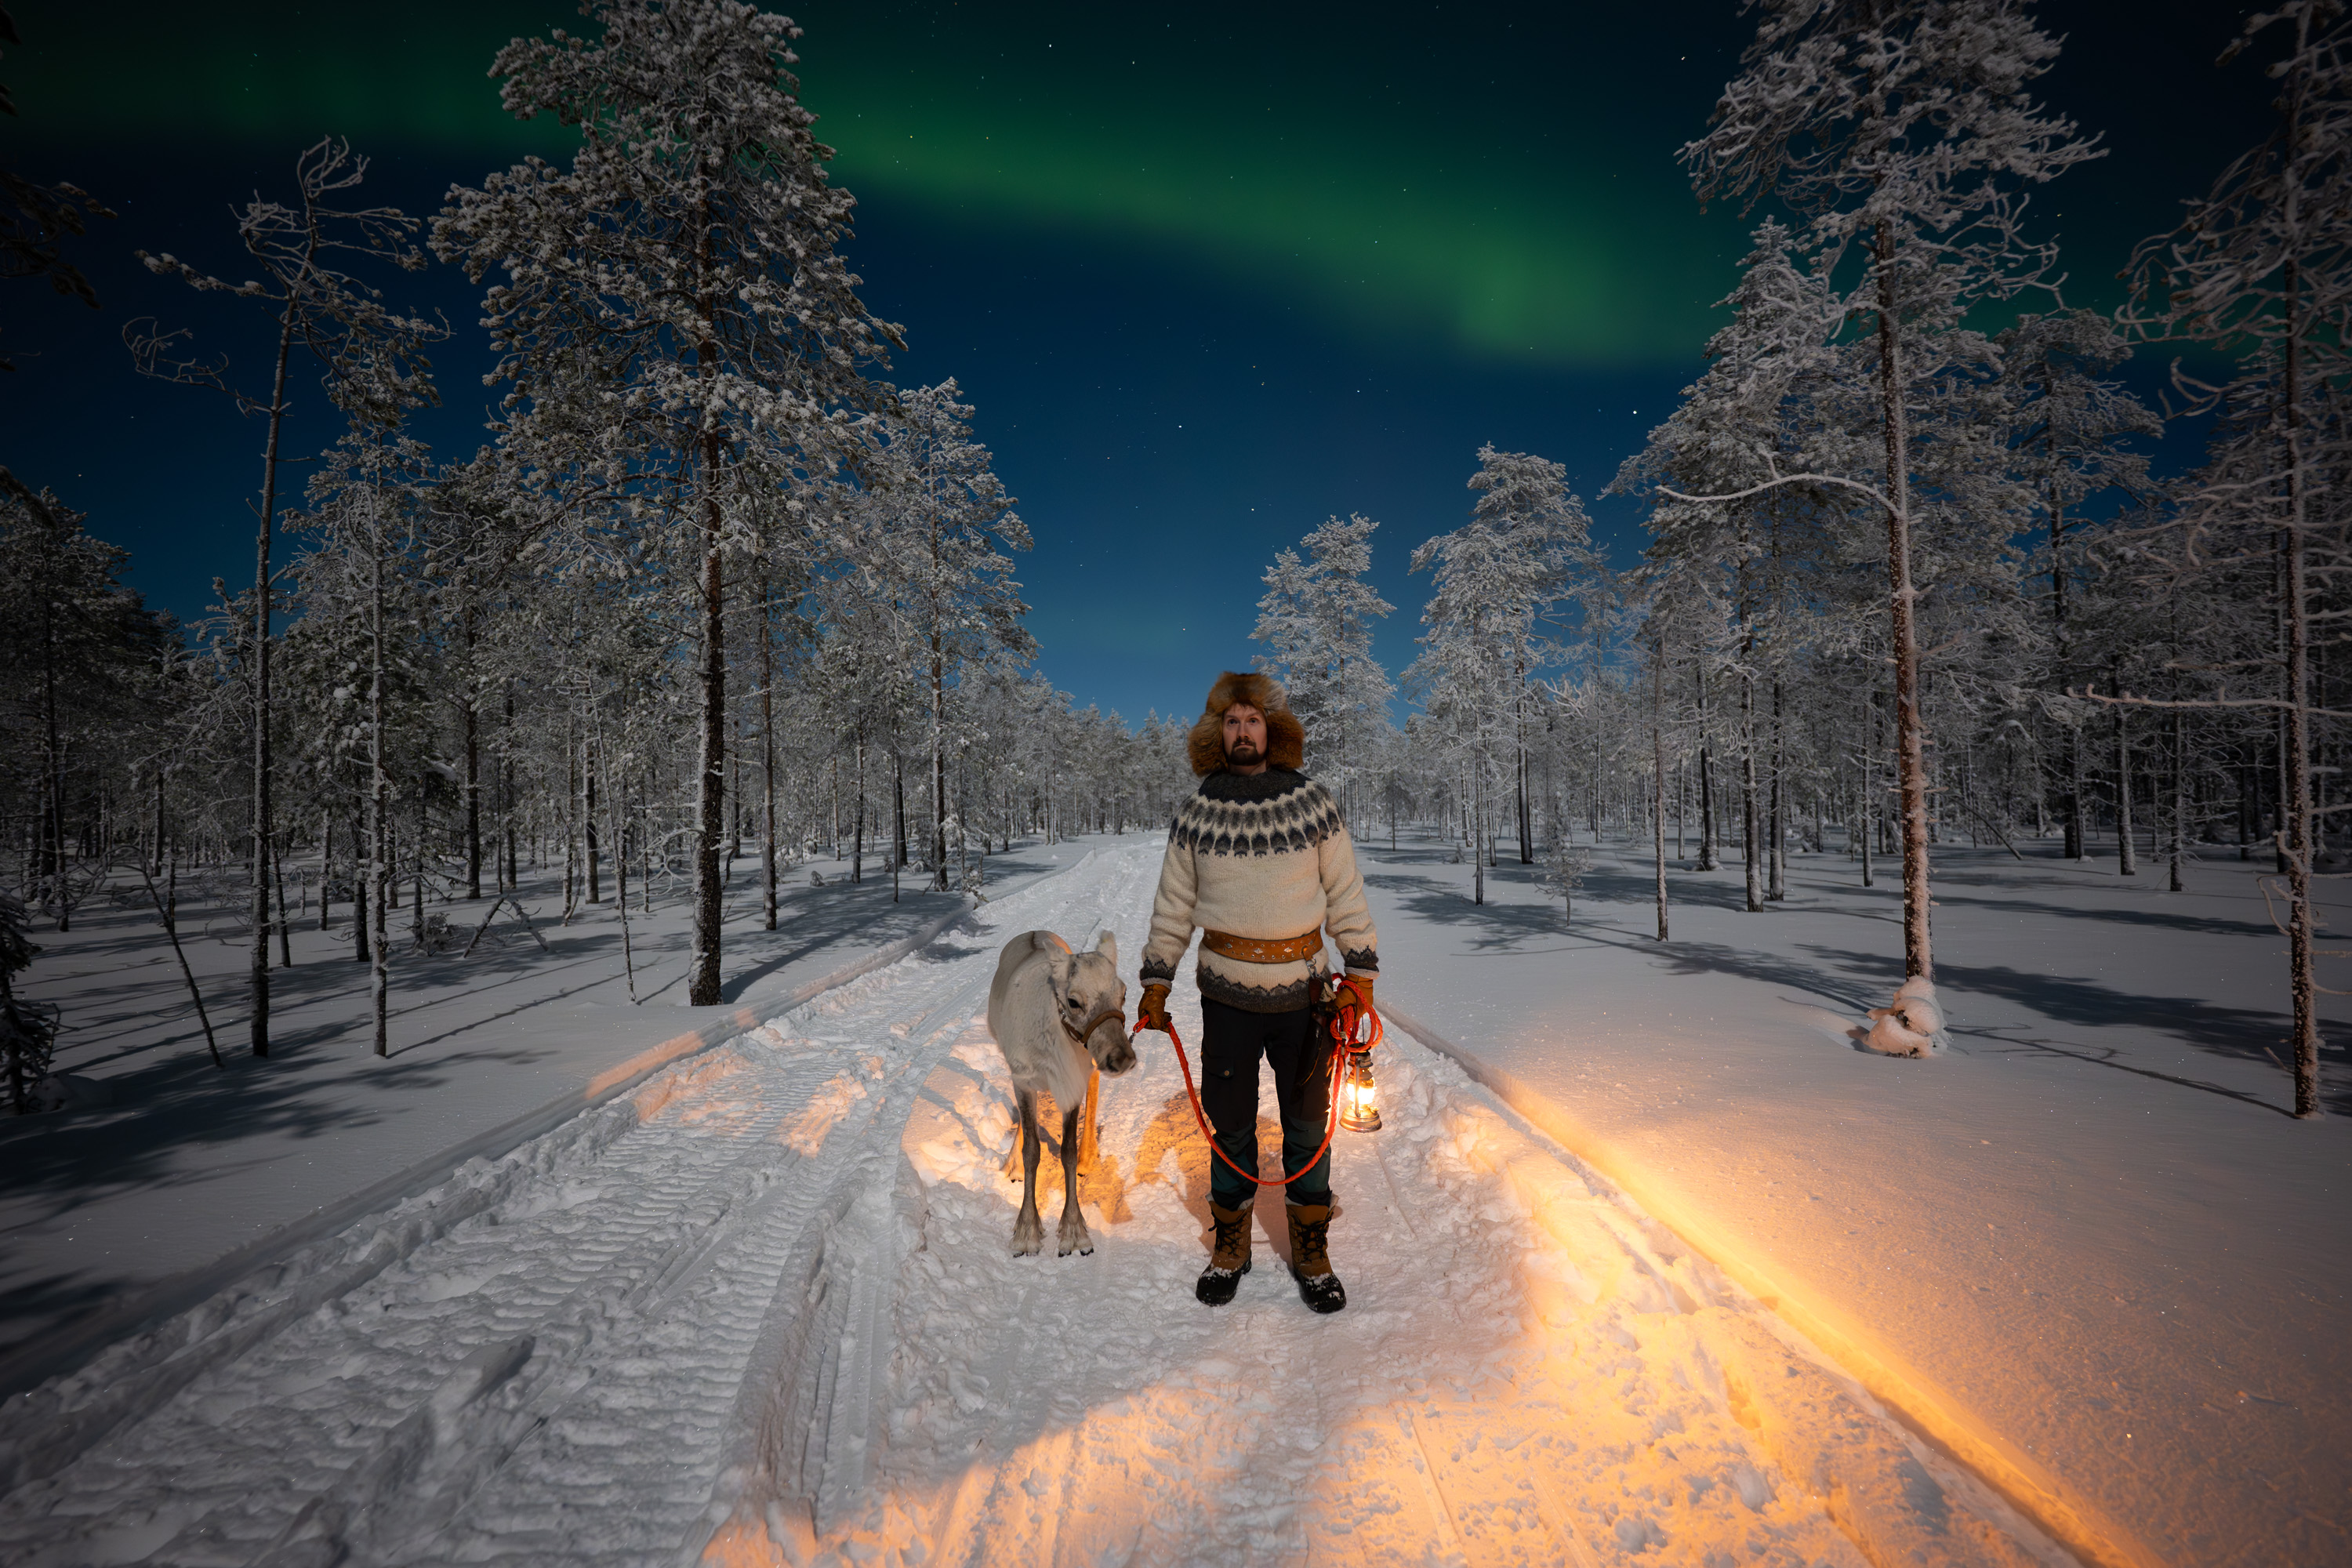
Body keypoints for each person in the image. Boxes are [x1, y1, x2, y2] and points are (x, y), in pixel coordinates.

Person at [1136, 670, 1378, 1312]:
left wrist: (1360, 975)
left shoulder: (1312, 803)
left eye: (1254, 720)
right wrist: (1156, 980)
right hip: (1228, 998)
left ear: (1274, 730)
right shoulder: (1197, 812)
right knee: (1232, 1125)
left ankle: (1312, 1247)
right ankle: (1231, 1242)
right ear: (1219, 733)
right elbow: (1173, 906)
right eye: (1232, 721)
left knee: (1306, 1124)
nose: (1243, 731)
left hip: (1305, 996)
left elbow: (1345, 893)